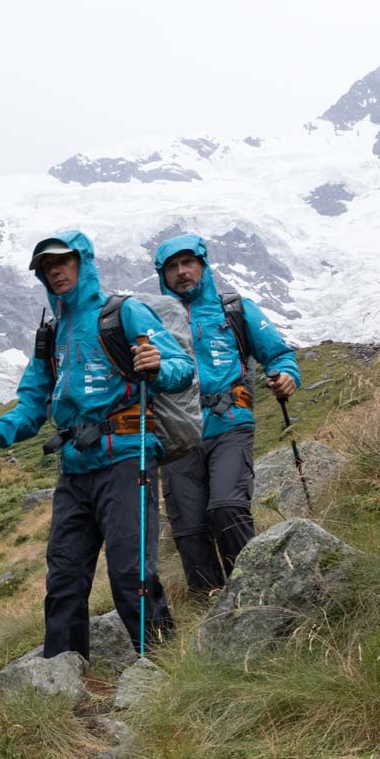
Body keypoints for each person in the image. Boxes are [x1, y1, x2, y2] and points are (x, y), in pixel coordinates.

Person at [0, 232, 195, 657]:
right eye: (47, 268)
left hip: (127, 458)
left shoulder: (123, 313)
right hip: (74, 470)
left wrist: (158, 366)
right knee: (64, 580)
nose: (56, 271)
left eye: (63, 262)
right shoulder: (51, 335)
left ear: (82, 263)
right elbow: (32, 406)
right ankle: (61, 681)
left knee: (130, 572)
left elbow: (181, 368)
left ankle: (163, 667)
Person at [153, 234, 301, 594]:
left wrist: (286, 377)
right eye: (172, 267)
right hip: (176, 437)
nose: (181, 272)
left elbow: (279, 355)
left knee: (226, 508)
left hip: (230, 423)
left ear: (203, 265)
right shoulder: (150, 323)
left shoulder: (234, 309)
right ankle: (211, 615)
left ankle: (255, 594)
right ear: (162, 275)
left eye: (188, 263)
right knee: (188, 530)